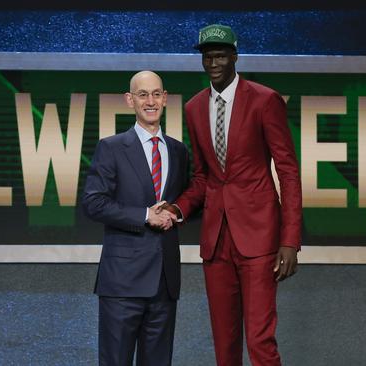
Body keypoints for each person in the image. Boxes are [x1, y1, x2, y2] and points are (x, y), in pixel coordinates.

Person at [161, 24, 302, 365]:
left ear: (235, 56)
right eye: (208, 56)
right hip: (216, 240)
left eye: (221, 54)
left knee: (260, 341)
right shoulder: (194, 108)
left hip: (259, 238)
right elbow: (203, 177)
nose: (214, 61)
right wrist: (178, 209)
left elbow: (288, 172)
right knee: (225, 345)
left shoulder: (265, 100)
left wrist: (290, 241)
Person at [82, 71, 190, 366]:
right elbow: (93, 202)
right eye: (143, 95)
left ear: (165, 98)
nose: (150, 101)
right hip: (122, 284)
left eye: (156, 94)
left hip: (165, 284)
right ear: (130, 101)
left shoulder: (179, 151)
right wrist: (144, 216)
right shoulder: (111, 147)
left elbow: (189, 200)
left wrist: (175, 211)